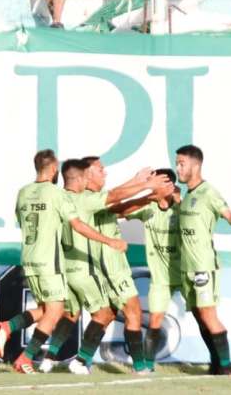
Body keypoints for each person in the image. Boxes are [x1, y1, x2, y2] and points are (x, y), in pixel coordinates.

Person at [0, 149, 127, 374]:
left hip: (29, 259)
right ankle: (25, 357)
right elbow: (78, 225)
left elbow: (22, 221)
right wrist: (109, 240)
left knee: (46, 310)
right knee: (55, 312)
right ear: (54, 169)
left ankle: (8, 326)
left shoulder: (23, 192)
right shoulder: (57, 194)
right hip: (49, 261)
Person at [41, 160, 170, 375]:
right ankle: (140, 368)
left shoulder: (83, 199)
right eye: (100, 170)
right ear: (87, 175)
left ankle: (62, 359)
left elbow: (119, 206)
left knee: (91, 313)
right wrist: (146, 187)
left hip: (89, 265)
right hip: (108, 265)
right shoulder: (86, 199)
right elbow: (116, 199)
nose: (105, 173)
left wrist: (146, 192)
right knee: (130, 312)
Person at [175, 145, 231, 375]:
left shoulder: (208, 192)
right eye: (177, 163)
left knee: (208, 315)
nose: (178, 168)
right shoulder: (188, 195)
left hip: (203, 266)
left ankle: (227, 366)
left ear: (196, 166)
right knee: (199, 317)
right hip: (186, 267)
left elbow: (229, 214)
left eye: (181, 163)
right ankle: (215, 363)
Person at [119, 168, 183, 372]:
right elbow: (120, 211)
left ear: (169, 185)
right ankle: (147, 365)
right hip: (161, 278)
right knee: (155, 320)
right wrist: (146, 196)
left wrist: (180, 203)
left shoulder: (184, 208)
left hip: (186, 274)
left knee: (204, 316)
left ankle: (221, 364)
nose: (152, 186)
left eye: (156, 182)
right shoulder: (149, 207)